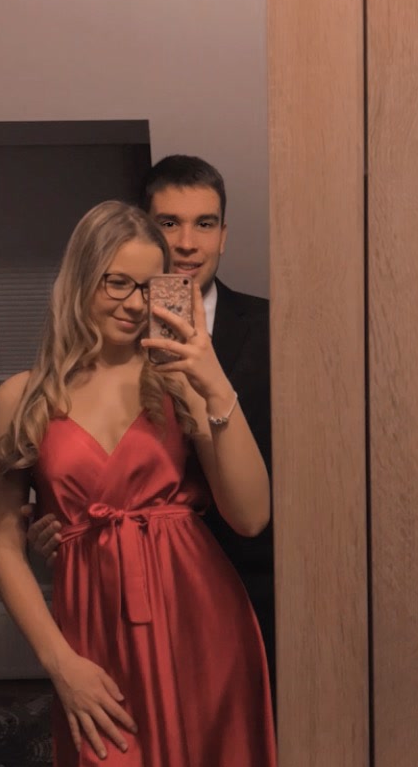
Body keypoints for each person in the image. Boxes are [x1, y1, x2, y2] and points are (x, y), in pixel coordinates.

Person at [0, 201, 281, 767]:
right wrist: (60, 665)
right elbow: (3, 541)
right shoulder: (21, 398)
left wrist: (212, 381)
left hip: (204, 639)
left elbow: (252, 515)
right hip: (96, 654)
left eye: (152, 285)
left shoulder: (177, 379)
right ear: (81, 279)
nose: (133, 301)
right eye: (117, 282)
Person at [26, 155, 276, 704]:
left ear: (224, 234)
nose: (186, 243)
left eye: (204, 224)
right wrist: (61, 519)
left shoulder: (276, 330)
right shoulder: (68, 373)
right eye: (168, 223)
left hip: (254, 591)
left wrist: (213, 384)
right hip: (110, 594)